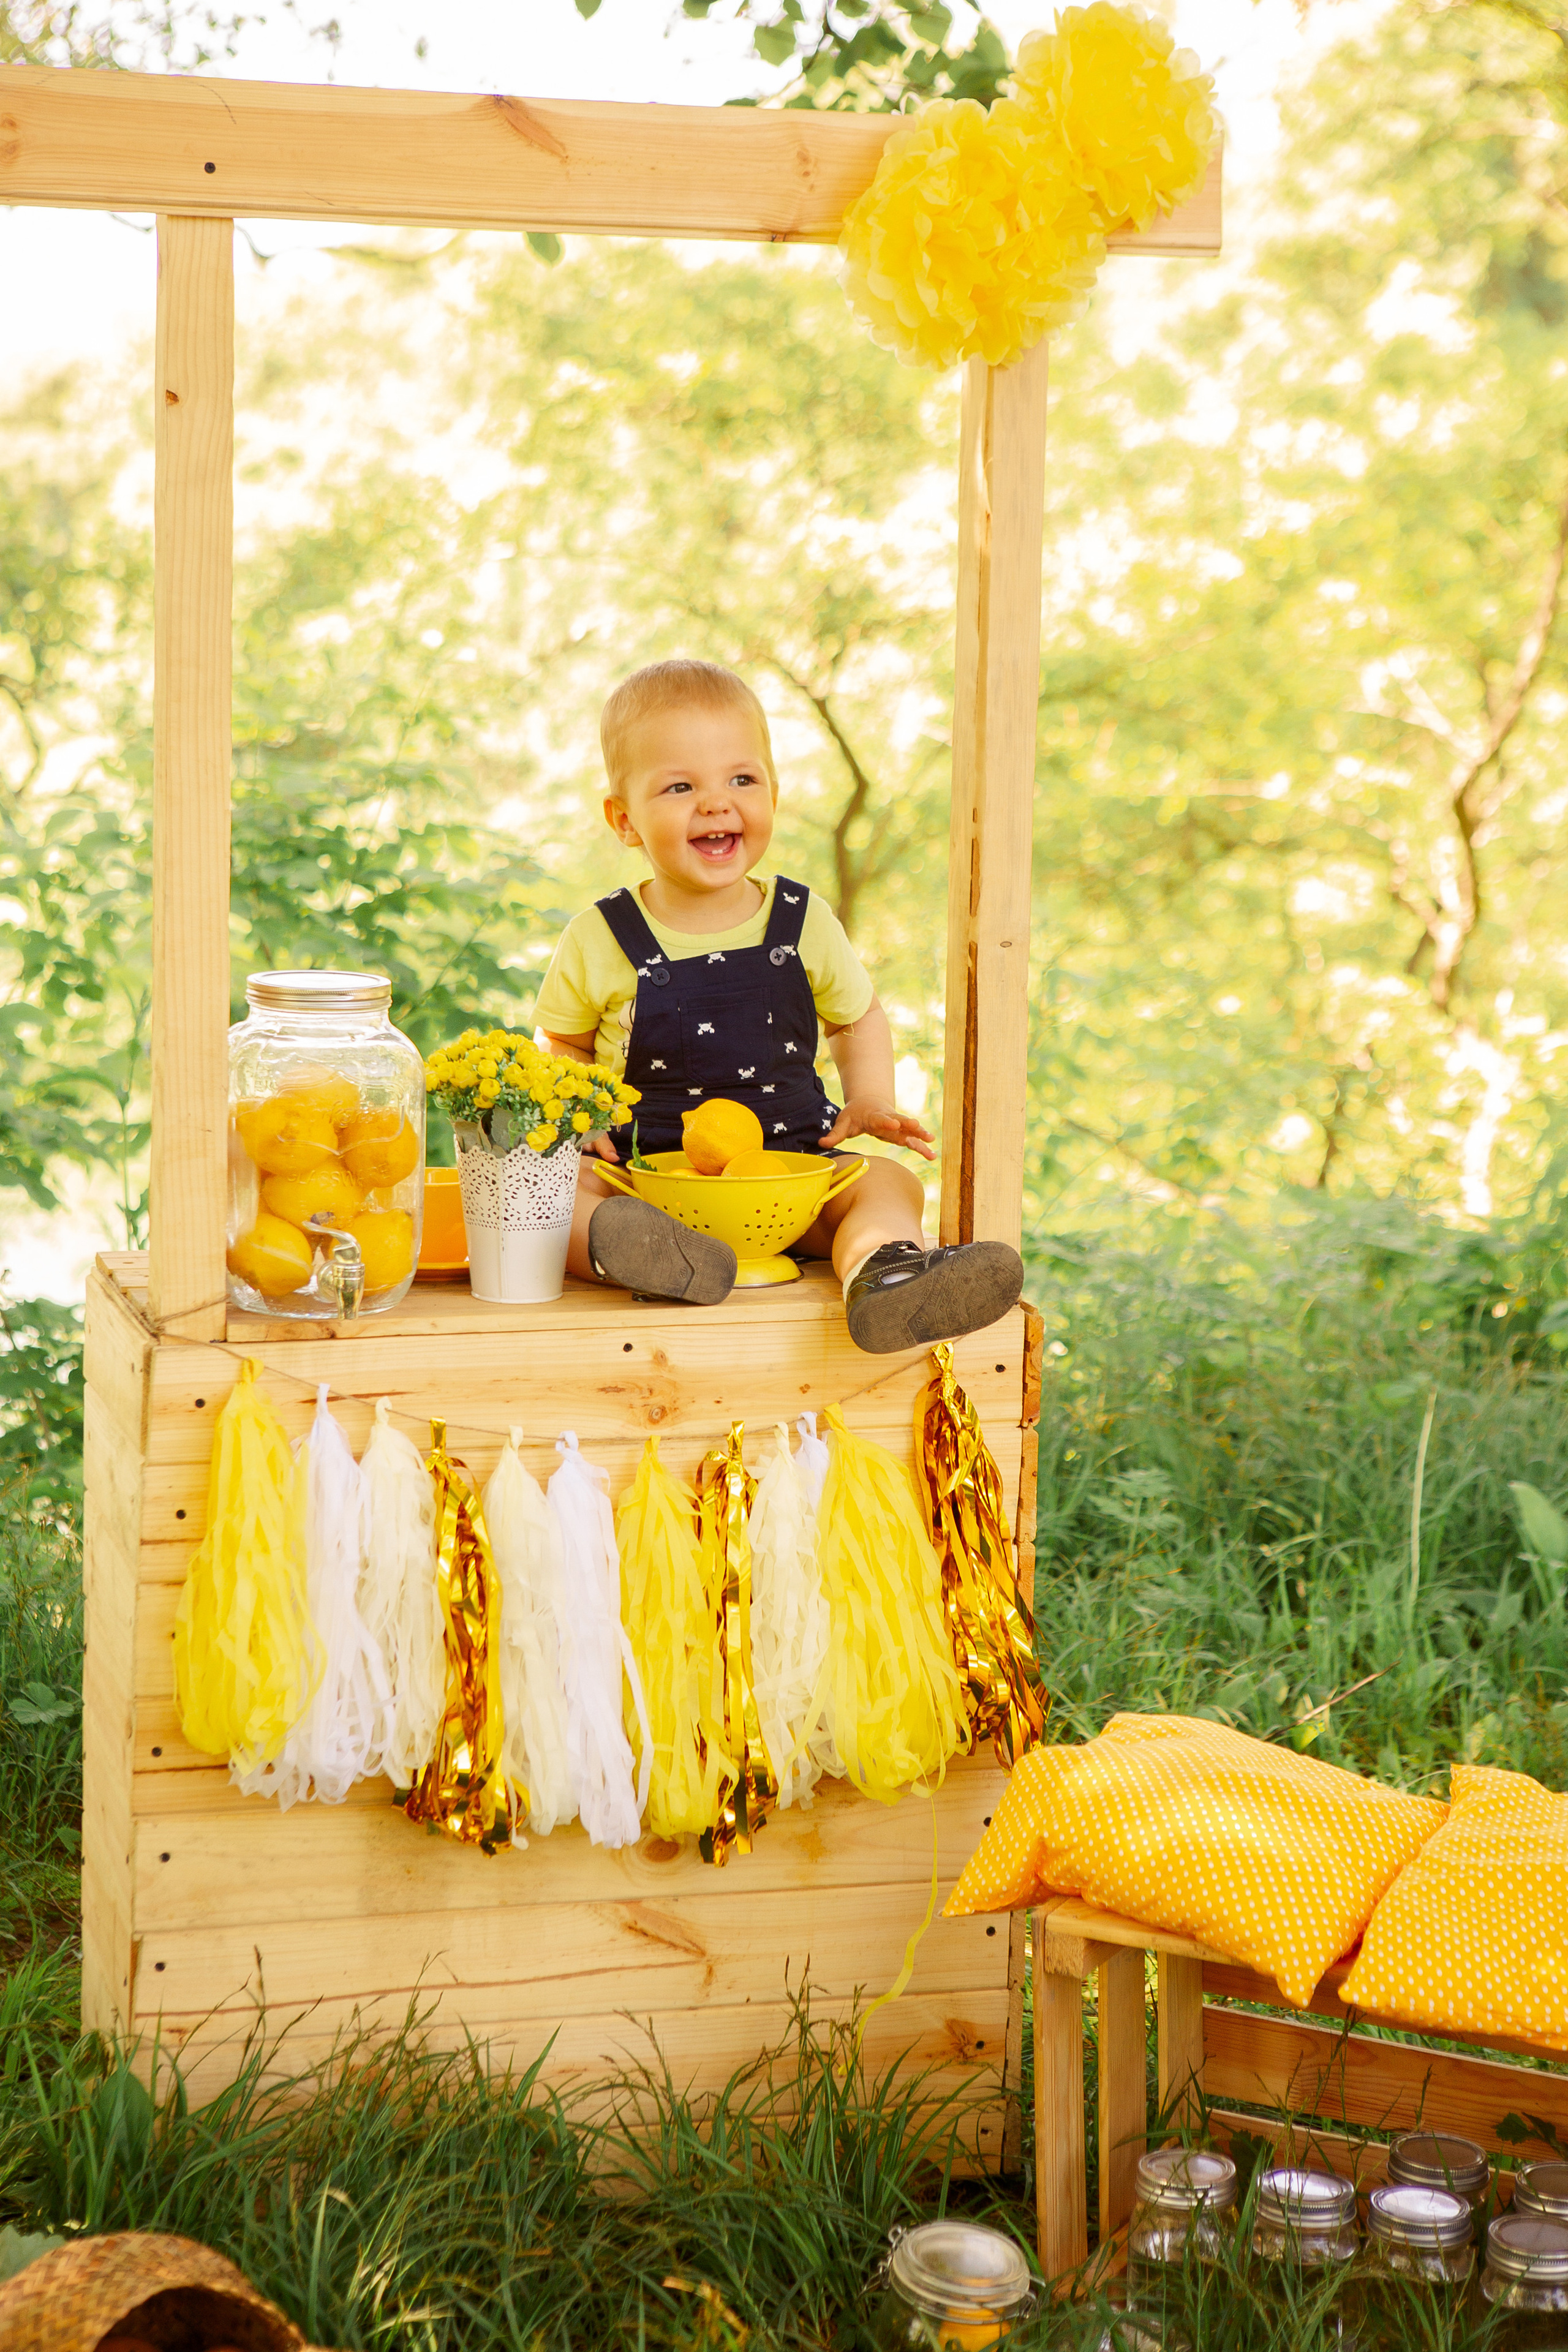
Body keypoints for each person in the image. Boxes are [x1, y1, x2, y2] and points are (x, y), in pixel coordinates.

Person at [534, 657, 1023, 1354]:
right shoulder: (599, 935)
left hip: (791, 1179)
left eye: (742, 779)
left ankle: (883, 1276)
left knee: (883, 1182)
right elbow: (562, 1043)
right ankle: (651, 1259)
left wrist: (870, 1096)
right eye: (679, 786)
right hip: (648, 1180)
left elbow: (856, 1017)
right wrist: (579, 1121)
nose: (715, 802)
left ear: (773, 791)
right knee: (559, 1196)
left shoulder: (802, 920)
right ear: (624, 820)